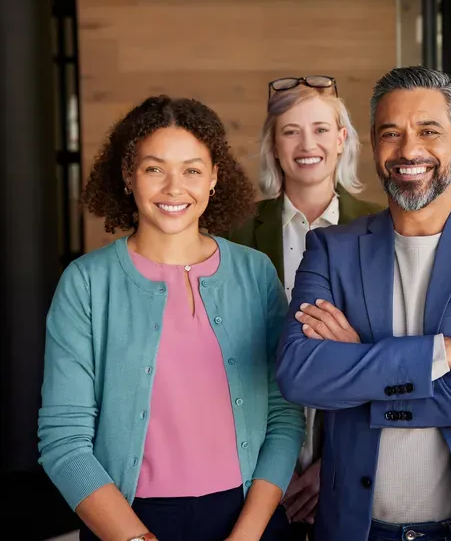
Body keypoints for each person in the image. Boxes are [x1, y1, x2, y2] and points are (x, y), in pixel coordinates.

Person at [275, 65, 451, 541]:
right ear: (373, 143)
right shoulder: (331, 248)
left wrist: (364, 367)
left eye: (429, 131)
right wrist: (440, 354)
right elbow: (298, 374)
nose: (409, 150)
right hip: (357, 528)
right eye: (392, 133)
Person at [38, 95, 305, 541]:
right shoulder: (85, 282)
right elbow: (64, 441)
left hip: (250, 519)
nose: (174, 188)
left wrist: (248, 534)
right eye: (154, 168)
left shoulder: (256, 273)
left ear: (215, 177)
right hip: (128, 523)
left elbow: (284, 414)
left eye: (192, 170)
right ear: (128, 175)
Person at [227, 75, 383, 537]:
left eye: (319, 128)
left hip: (356, 456)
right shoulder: (233, 234)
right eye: (290, 131)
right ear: (274, 145)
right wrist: (274, 472)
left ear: (341, 140)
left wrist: (331, 463)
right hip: (253, 461)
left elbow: (388, 355)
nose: (306, 143)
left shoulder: (383, 227)